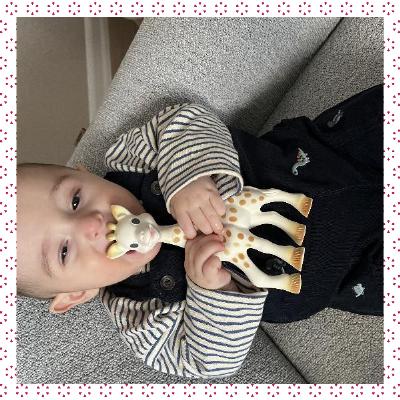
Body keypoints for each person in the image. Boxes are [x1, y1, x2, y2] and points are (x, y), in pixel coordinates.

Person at [17, 84, 383, 378]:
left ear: (82, 172)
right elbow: (209, 363)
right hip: (351, 268)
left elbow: (184, 118)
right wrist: (214, 290)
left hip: (322, 157)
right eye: (64, 251)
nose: (90, 225)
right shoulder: (141, 320)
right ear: (75, 294)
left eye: (75, 199)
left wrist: (188, 179)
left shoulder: (131, 158)